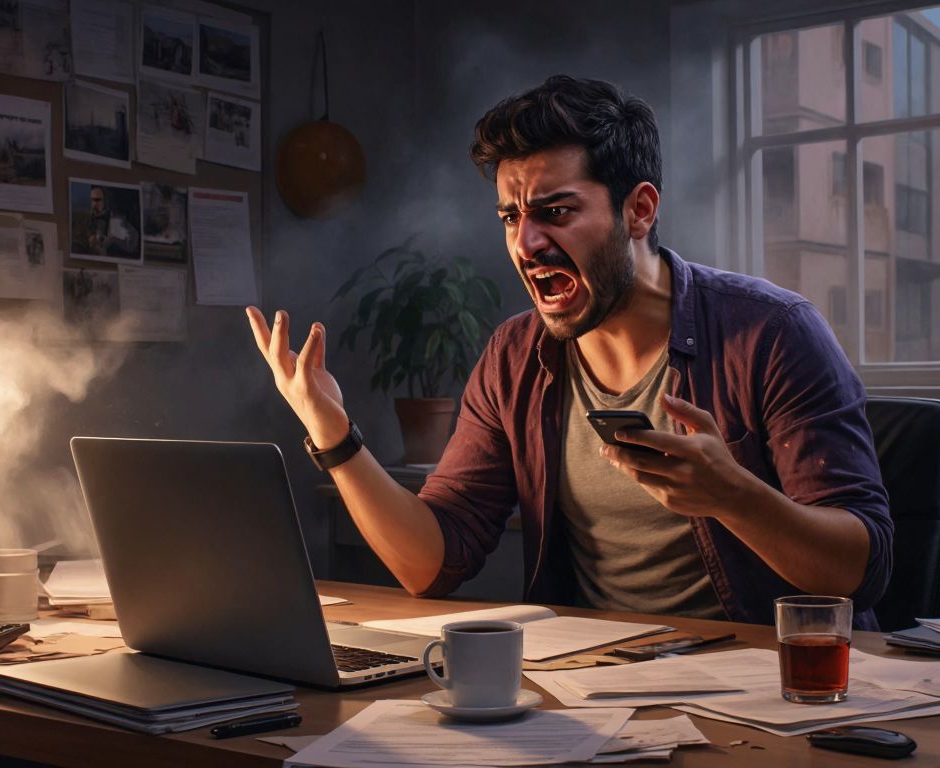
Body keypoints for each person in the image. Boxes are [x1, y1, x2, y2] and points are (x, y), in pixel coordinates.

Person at [247, 76, 892, 629]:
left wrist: (734, 496)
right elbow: (430, 562)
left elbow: (861, 571)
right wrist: (333, 434)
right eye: (510, 217)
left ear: (639, 211)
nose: (526, 243)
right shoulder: (514, 355)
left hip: (766, 683)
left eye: (555, 212)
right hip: (593, 689)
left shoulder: (773, 333)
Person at [84, 185, 139, 258]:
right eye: (91, 200)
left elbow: (132, 244)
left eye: (97, 200)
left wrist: (113, 241)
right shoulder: (82, 219)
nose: (94, 204)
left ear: (105, 202)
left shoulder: (118, 221)